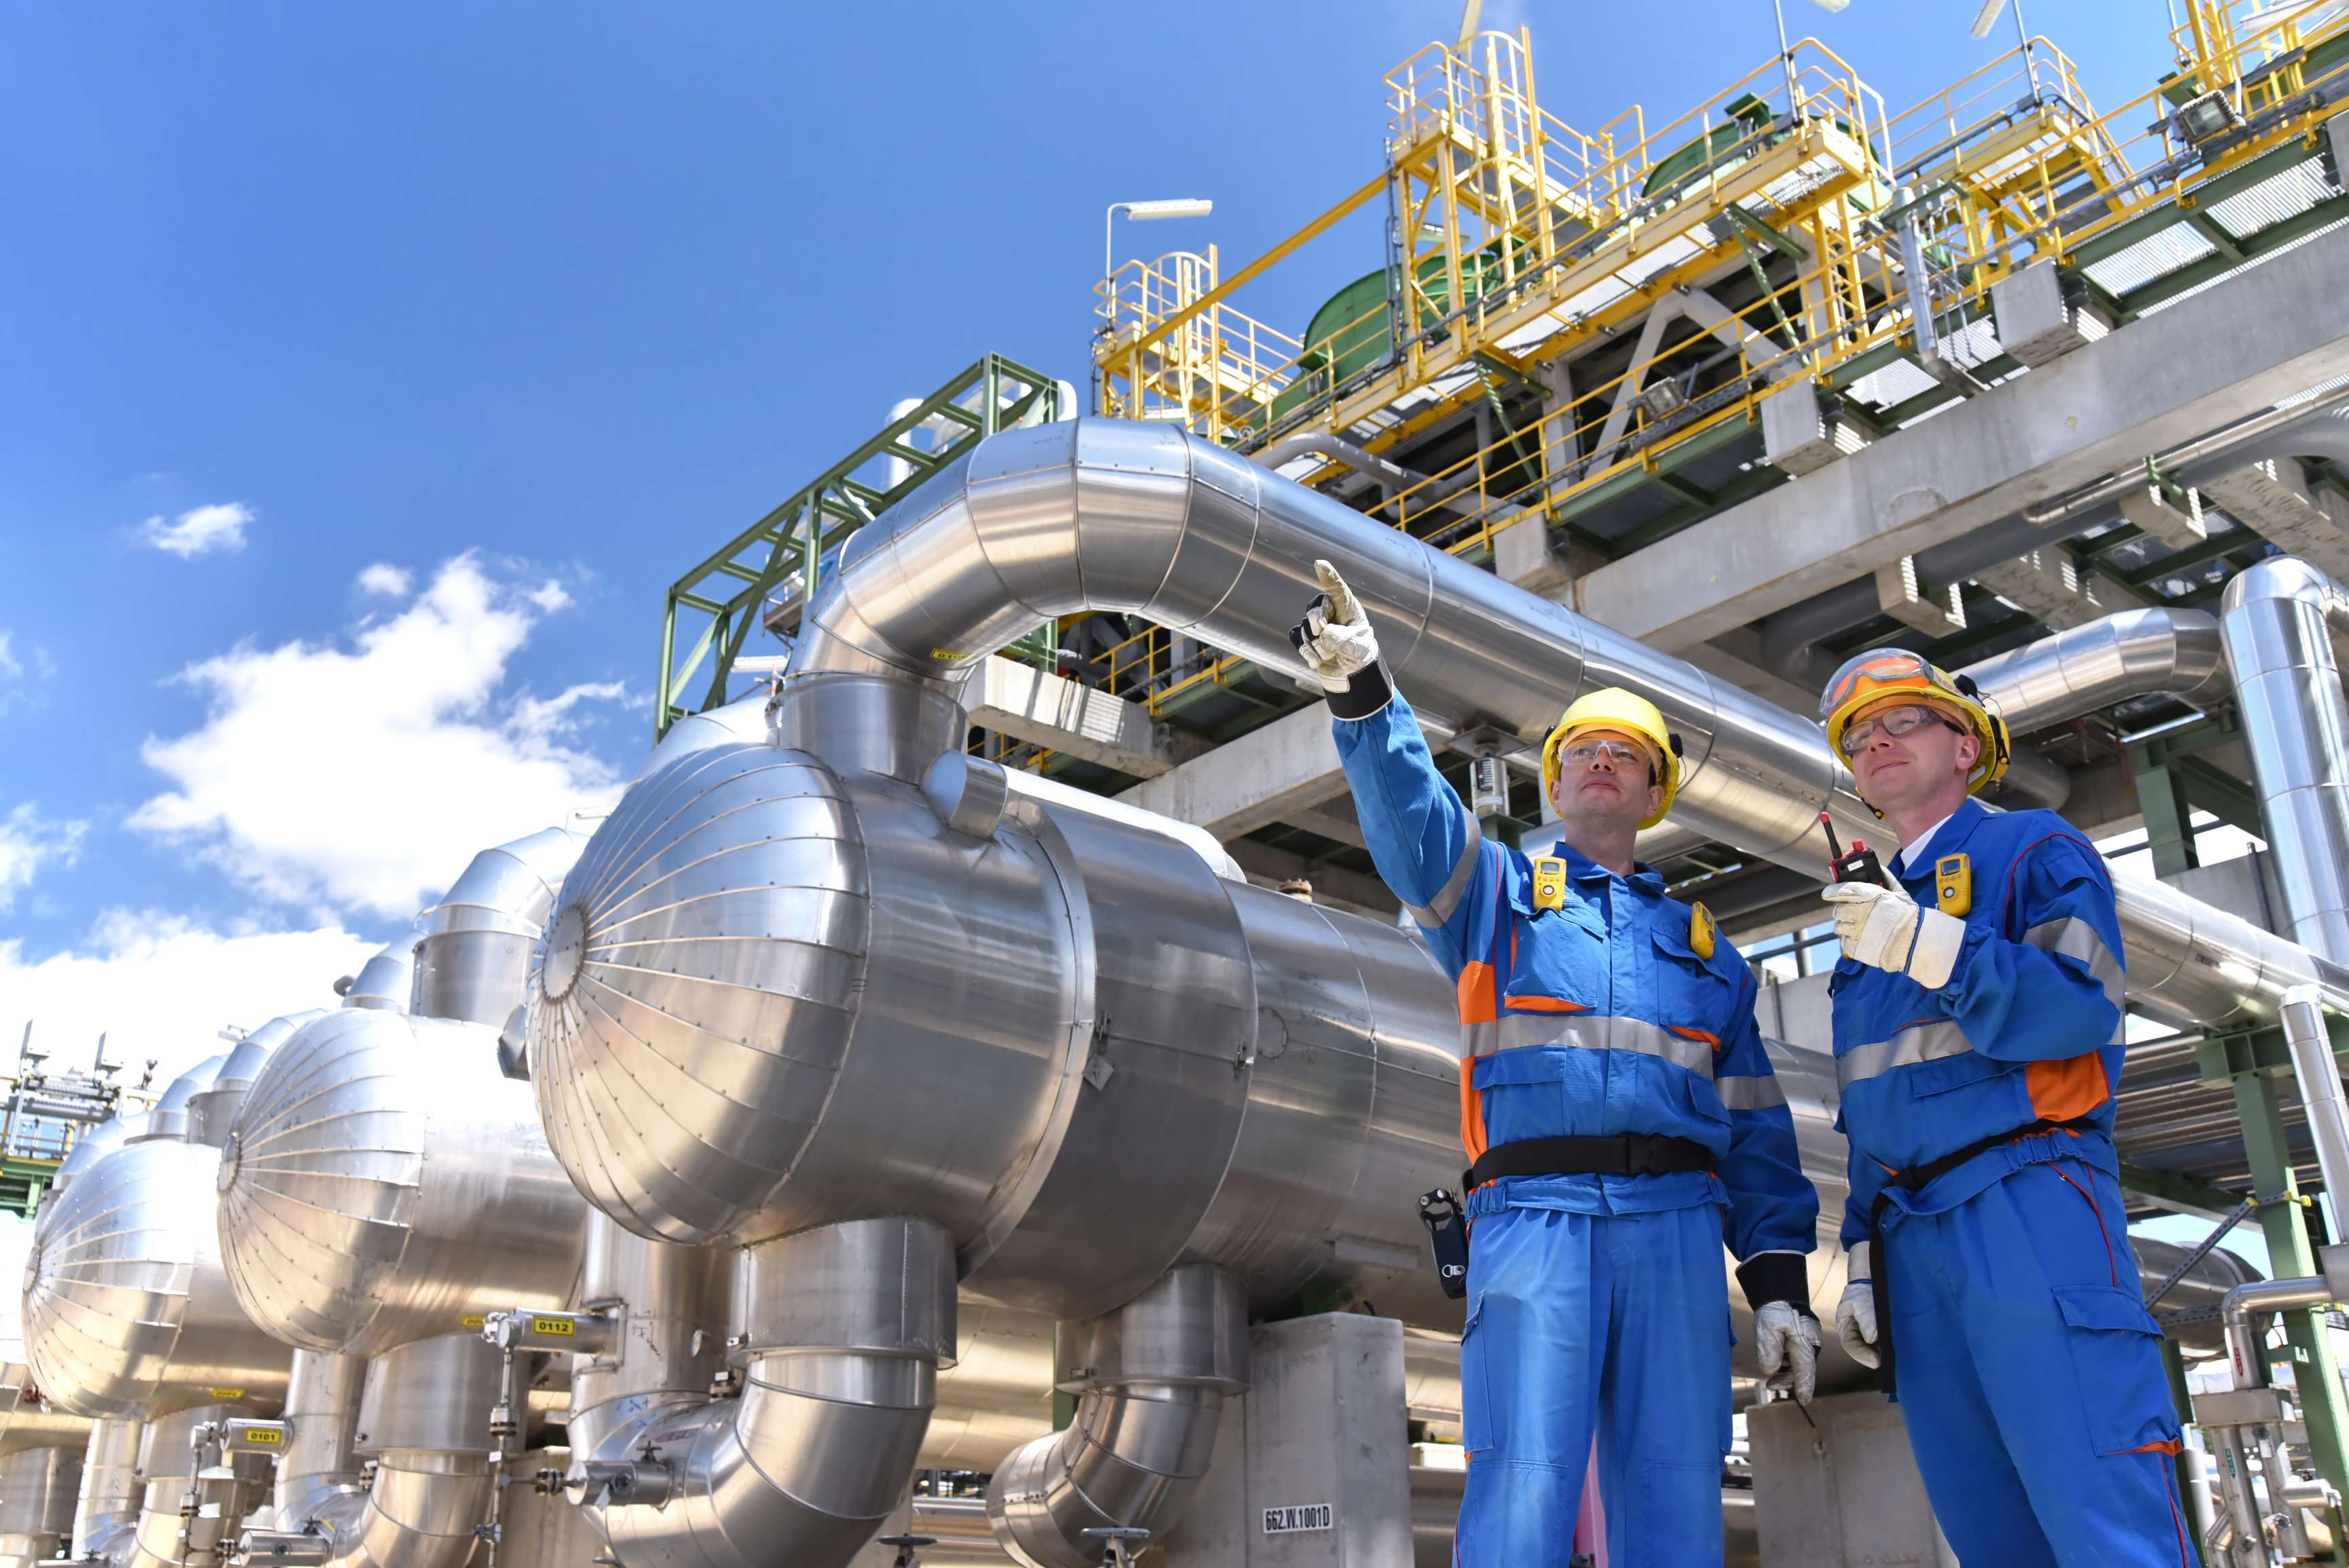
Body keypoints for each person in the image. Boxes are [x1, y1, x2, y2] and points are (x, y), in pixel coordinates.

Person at [1293, 561, 1820, 1568]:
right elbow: (1415, 827)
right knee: (1524, 1488)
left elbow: (1757, 1131)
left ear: (1652, 790)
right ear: (1554, 777)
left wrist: (1783, 1282)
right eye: (1580, 750)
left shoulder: (1710, 955)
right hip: (1533, 1220)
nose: (1599, 764)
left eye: (1625, 754)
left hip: (1676, 1233)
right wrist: (1364, 692)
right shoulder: (1494, 896)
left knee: (1675, 1492)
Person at [1815, 648, 2193, 1567]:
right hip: (1911, 1239)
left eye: (1903, 721)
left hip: (2030, 1198)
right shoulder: (1867, 932)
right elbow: (1877, 1104)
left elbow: (2076, 1004)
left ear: (1965, 745)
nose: (1878, 741)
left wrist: (1931, 945)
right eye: (1861, 736)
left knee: (2101, 1507)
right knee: (1988, 1527)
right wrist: (1862, 1248)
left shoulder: (2032, 848)